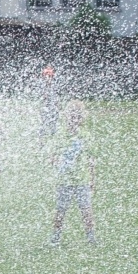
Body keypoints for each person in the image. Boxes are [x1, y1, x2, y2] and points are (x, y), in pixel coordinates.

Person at [50, 100, 96, 247]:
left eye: (77, 117)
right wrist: (56, 161)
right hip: (64, 180)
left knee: (86, 210)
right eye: (72, 116)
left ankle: (91, 237)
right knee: (60, 210)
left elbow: (91, 159)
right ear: (67, 117)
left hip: (82, 179)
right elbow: (53, 154)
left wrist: (92, 179)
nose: (74, 120)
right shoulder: (61, 135)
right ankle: (55, 237)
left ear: (81, 118)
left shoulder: (86, 135)